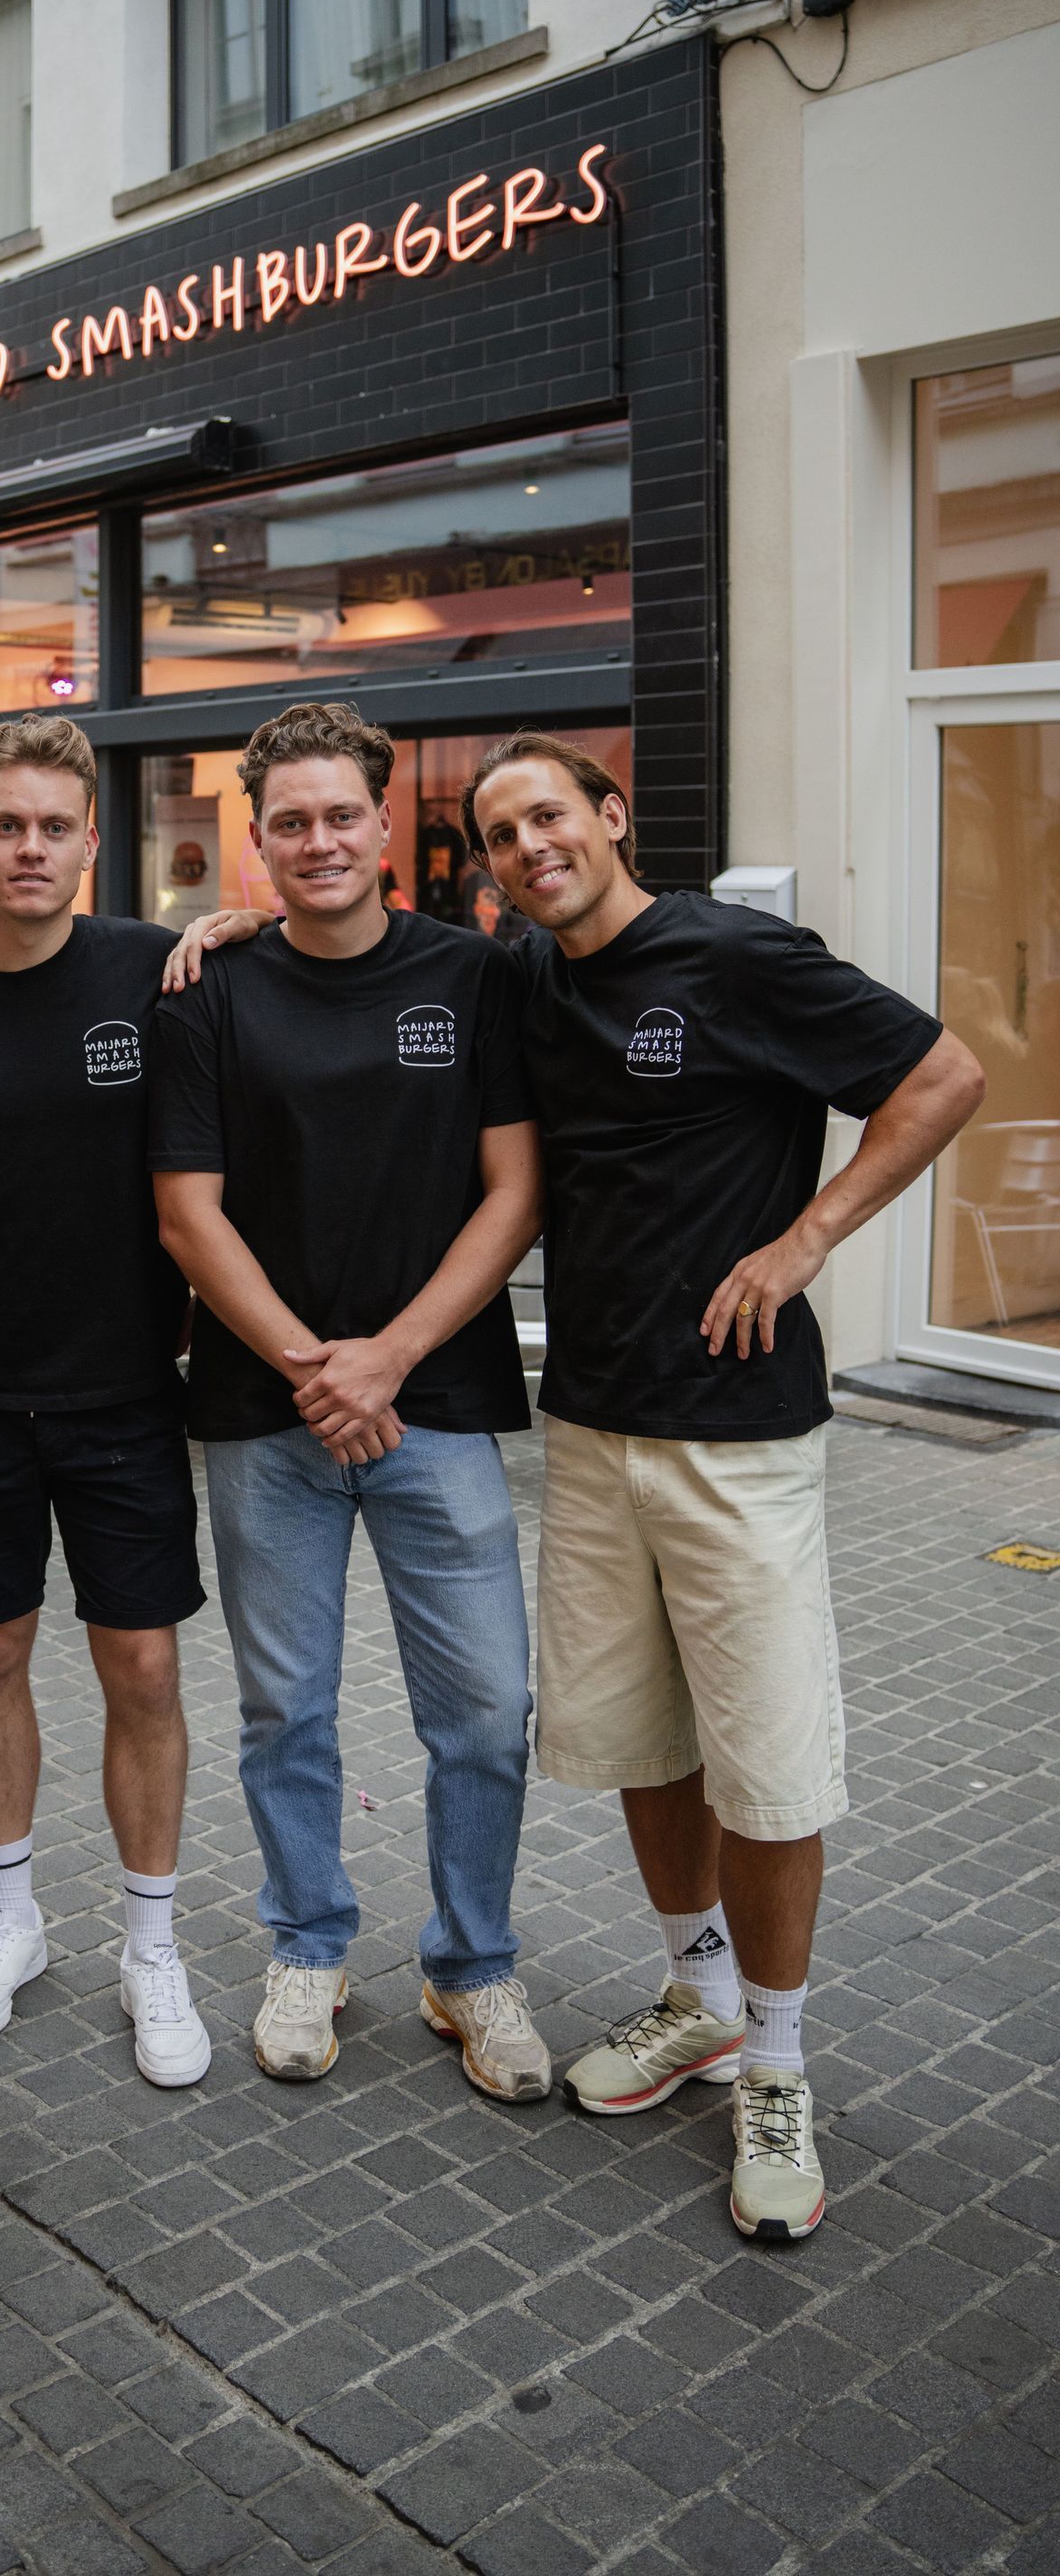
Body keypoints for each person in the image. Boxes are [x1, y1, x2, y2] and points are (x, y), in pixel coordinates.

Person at [465, 731, 984, 2240]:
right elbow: (364, 951)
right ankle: (697, 1997)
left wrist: (807, 1242)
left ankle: (781, 2060)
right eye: (499, 835)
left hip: (739, 1436)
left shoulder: (741, 957)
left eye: (548, 816)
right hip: (592, 1426)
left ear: (611, 818)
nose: (526, 848)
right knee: (644, 1738)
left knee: (765, 1760)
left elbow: (943, 1075)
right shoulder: (530, 978)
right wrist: (230, 927)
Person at [151, 701, 551, 2095]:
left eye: (340, 816)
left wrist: (383, 1359)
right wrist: (315, 1370)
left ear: (384, 827)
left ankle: (472, 1968)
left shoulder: (477, 976)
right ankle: (308, 1941)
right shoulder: (211, 988)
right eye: (289, 822)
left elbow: (516, 1192)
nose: (317, 840)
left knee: (490, 1711)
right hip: (269, 1422)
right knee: (286, 1710)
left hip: (434, 1404)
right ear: (254, 841)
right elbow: (188, 1217)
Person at [0, 715, 211, 2086]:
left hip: (129, 1391)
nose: (29, 848)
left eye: (53, 827)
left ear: (92, 841)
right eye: (5, 826)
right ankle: (10, 1916)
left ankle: (152, 1943)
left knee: (142, 1666)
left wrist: (240, 919)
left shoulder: (154, 968)